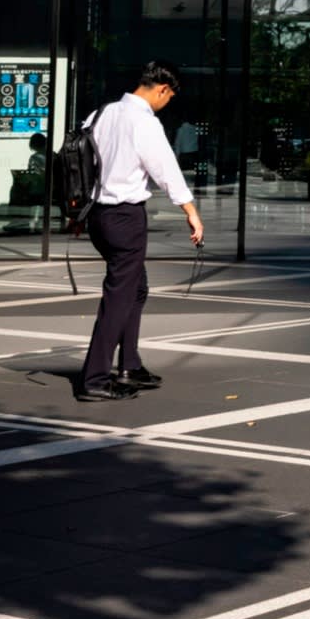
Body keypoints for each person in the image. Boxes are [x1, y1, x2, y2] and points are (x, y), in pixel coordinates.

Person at [76, 62, 204, 402]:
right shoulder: (144, 122)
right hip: (125, 217)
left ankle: (129, 365)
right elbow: (165, 169)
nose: (167, 103)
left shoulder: (100, 114)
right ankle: (95, 378)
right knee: (118, 297)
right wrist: (190, 211)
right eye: (169, 97)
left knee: (136, 287)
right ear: (162, 89)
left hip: (97, 216)